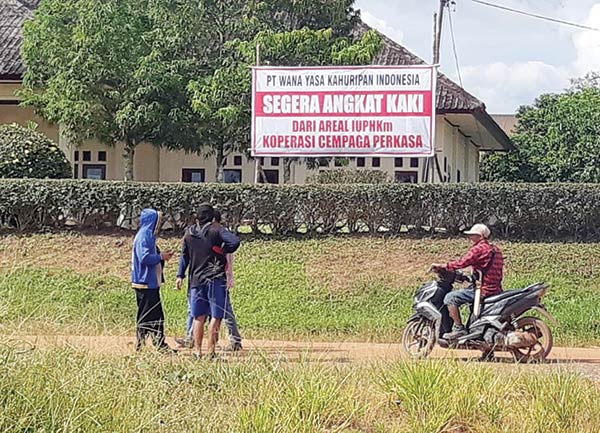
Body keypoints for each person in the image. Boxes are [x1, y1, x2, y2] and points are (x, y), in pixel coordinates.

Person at [176, 203, 241, 359]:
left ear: (196, 217)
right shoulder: (216, 230)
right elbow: (235, 241)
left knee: (199, 316)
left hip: (196, 280)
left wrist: (180, 275)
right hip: (215, 278)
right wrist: (224, 250)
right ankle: (211, 352)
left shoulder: (189, 233)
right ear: (212, 217)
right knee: (216, 316)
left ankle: (197, 352)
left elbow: (184, 256)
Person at [432, 223, 504, 340]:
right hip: (496, 289)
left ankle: (459, 329)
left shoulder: (478, 249)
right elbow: (486, 270)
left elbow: (462, 263)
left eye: (472, 235)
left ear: (480, 236)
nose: (470, 237)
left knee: (450, 298)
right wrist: (469, 278)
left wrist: (443, 266)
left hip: (483, 290)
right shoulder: (496, 250)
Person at [131, 208, 175, 352]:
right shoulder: (145, 235)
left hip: (149, 282)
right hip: (145, 283)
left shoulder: (146, 235)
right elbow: (144, 258)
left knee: (155, 315)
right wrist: (161, 257)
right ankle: (143, 344)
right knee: (148, 314)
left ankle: (157, 343)